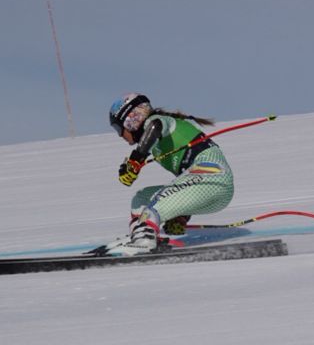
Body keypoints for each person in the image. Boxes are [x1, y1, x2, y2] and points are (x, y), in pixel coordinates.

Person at [99, 93, 235, 255]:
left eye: (118, 128)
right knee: (141, 199)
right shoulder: (157, 145)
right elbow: (188, 183)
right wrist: (181, 215)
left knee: (155, 205)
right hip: (210, 189)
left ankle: (145, 240)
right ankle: (140, 235)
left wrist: (136, 159)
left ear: (131, 119)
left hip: (213, 177)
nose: (120, 135)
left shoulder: (159, 122)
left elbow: (155, 127)